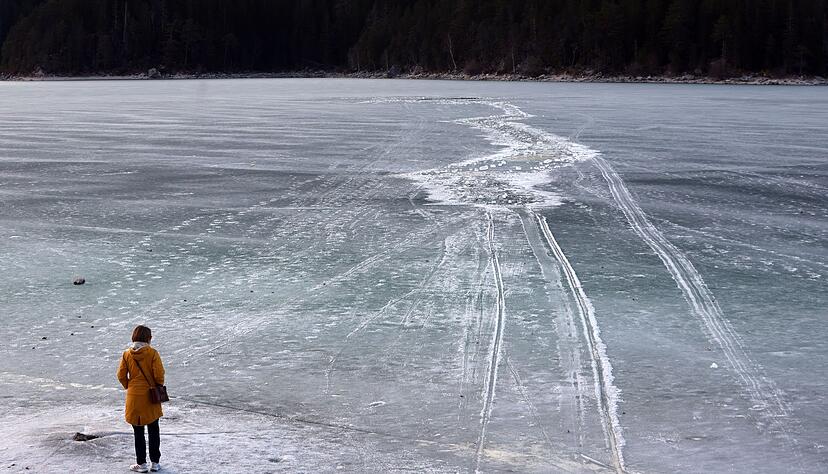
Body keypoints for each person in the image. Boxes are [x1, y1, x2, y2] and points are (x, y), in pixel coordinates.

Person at [117, 325, 165, 473]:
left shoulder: (126, 354)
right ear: (148, 338)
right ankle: (155, 463)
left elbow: (120, 375)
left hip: (133, 397)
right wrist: (157, 386)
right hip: (150, 396)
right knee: (153, 430)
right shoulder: (152, 353)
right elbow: (159, 375)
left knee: (138, 431)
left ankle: (142, 464)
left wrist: (129, 386)